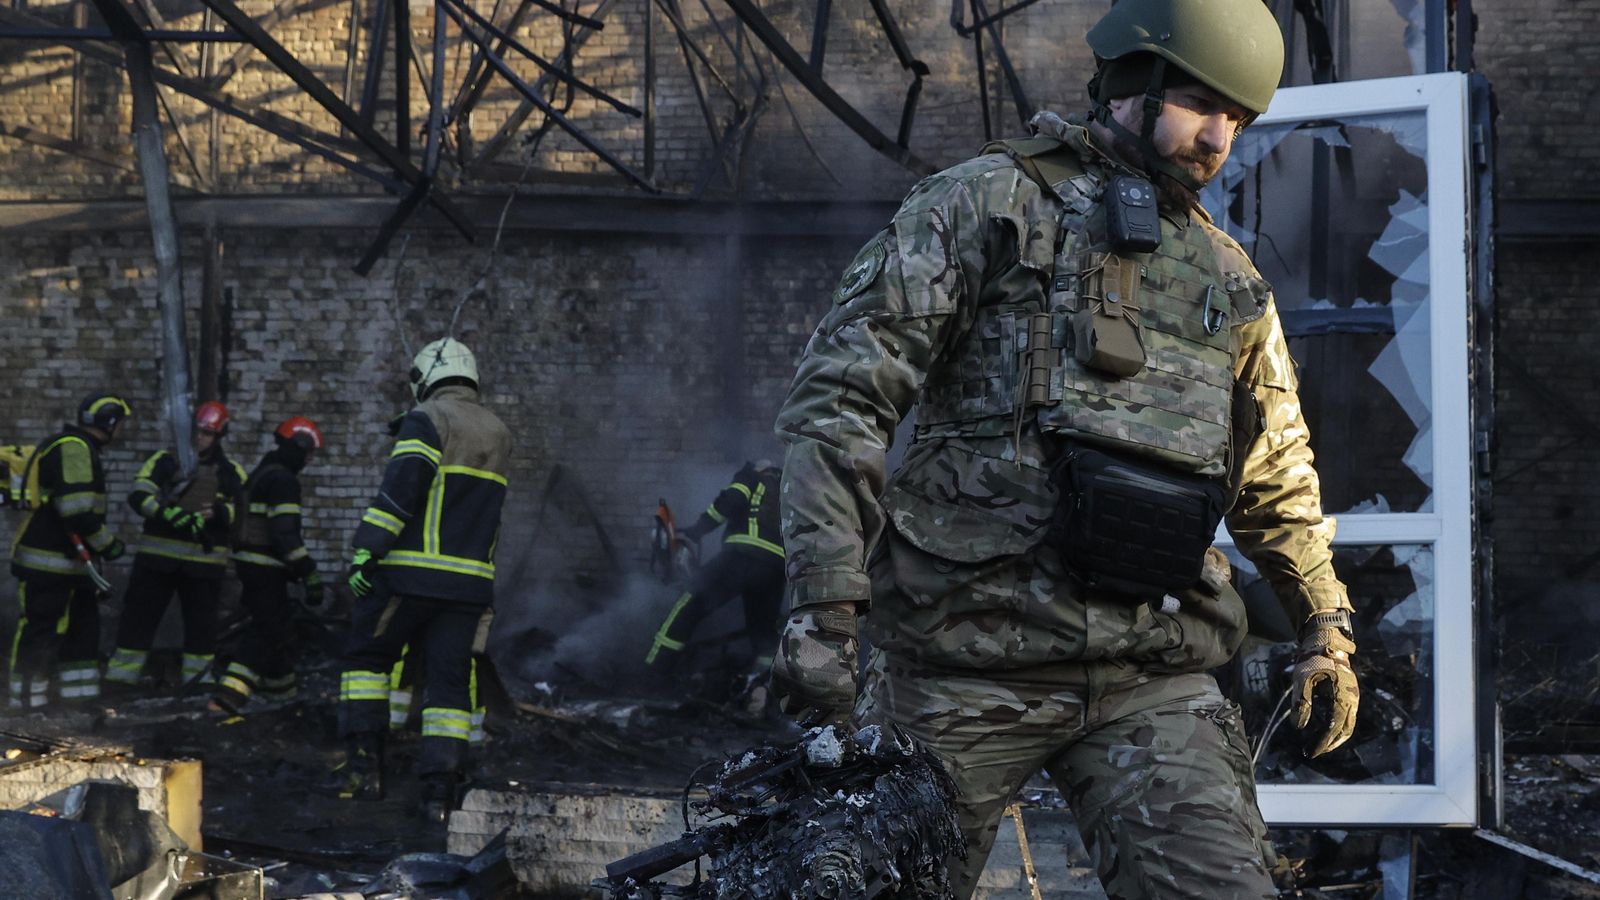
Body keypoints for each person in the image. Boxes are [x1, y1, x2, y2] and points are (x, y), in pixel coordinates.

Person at [769, 0, 1361, 896]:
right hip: (958, 661)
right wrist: (824, 604)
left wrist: (1327, 628)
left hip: (1150, 670)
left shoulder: (1230, 280)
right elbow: (842, 399)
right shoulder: (983, 206)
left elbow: (1275, 471)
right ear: (1137, 80)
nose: (1219, 139)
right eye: (1203, 104)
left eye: (1238, 119)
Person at [320, 337, 511, 823]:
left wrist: (368, 549)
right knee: (449, 684)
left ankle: (363, 773)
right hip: (469, 586)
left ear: (427, 376)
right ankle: (439, 795)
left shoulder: (427, 419)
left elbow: (402, 488)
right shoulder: (498, 431)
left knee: (367, 657)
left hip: (409, 575)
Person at [105, 401, 247, 690]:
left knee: (202, 628)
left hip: (204, 568)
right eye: (196, 432)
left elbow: (246, 513)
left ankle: (198, 681)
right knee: (138, 620)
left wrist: (219, 514)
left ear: (218, 436)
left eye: (207, 433)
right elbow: (139, 494)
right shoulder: (163, 461)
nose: (200, 438)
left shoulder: (231, 472)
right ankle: (120, 680)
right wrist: (165, 512)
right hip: (157, 562)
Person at [7, 393, 130, 708]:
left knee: (82, 633)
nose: (124, 429)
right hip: (49, 566)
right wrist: (109, 546)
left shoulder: (81, 447)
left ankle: (78, 703)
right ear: (110, 421)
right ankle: (25, 704)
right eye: (122, 423)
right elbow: (76, 509)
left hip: (72, 569)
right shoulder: (74, 448)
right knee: (41, 630)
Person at [210, 416, 326, 717]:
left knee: (279, 632)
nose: (310, 459)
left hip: (251, 566)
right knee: (264, 634)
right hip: (266, 570)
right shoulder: (283, 480)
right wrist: (308, 572)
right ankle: (225, 700)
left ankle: (283, 701)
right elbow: (285, 533)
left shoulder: (263, 472)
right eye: (309, 452)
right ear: (298, 447)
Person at [643, 460, 785, 692]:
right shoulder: (788, 490)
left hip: (741, 556)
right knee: (764, 633)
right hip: (775, 569)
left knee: (689, 607)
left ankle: (656, 674)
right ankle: (760, 691)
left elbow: (730, 502)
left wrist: (698, 530)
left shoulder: (750, 475)